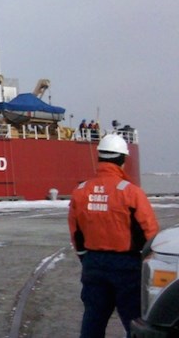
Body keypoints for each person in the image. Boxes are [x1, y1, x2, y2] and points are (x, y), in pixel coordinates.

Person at [68, 133, 159, 338]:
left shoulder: (80, 191)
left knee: (93, 317)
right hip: (127, 265)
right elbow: (150, 231)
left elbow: (76, 232)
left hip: (93, 263)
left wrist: (85, 257)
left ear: (99, 157)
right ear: (122, 160)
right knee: (133, 320)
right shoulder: (131, 192)